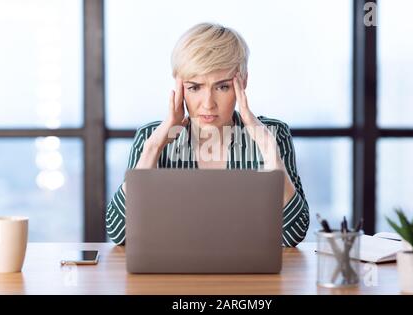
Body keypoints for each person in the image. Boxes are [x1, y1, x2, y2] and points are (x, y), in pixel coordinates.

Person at [106, 22, 310, 247]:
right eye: (195, 87)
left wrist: (268, 147)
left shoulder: (273, 134)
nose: (208, 104)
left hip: (249, 278)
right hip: (171, 277)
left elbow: (294, 234)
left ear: (243, 82)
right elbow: (119, 233)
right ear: (180, 86)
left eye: (222, 87)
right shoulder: (150, 137)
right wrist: (154, 147)